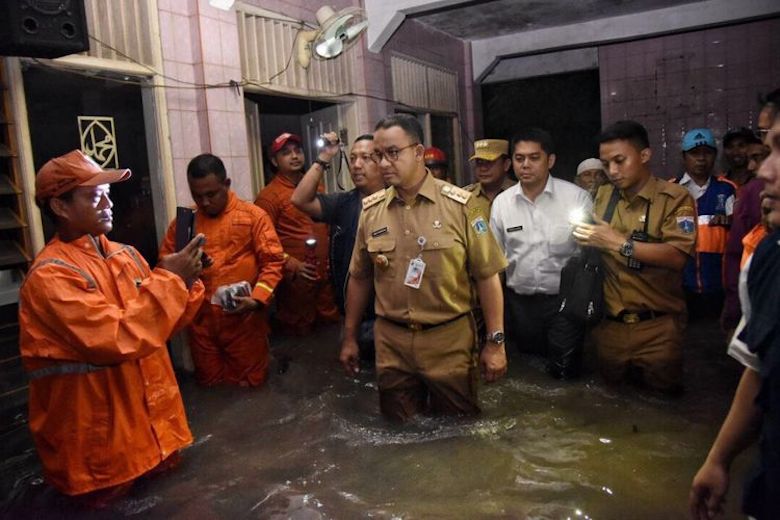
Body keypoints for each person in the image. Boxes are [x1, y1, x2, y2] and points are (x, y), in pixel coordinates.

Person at [18, 150, 205, 506]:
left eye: (106, 191)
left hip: (155, 434)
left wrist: (188, 282)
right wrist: (170, 280)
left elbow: (161, 325)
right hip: (101, 454)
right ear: (59, 207)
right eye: (93, 195)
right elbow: (115, 338)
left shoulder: (126, 255)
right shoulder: (51, 276)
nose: (108, 202)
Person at [339, 114, 508, 422]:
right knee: (398, 429)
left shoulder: (461, 206)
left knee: (458, 429)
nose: (384, 163)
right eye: (379, 155)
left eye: (393, 153)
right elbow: (360, 277)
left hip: (449, 339)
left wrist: (495, 343)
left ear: (418, 153)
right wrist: (349, 336)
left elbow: (487, 276)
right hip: (391, 341)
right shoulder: (372, 212)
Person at [688, 113, 780, 520]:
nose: (763, 169)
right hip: (700, 294)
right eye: (767, 150)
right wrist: (719, 458)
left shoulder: (731, 191)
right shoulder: (768, 258)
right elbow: (758, 367)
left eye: (776, 152)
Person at [573, 120, 696, 395]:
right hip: (610, 328)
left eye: (619, 161)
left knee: (663, 410)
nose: (613, 171)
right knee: (613, 407)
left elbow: (677, 256)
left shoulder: (675, 198)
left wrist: (619, 243)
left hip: (658, 328)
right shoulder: (602, 196)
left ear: (644, 155)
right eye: (606, 164)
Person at [159, 154, 285, 387]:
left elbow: (273, 262)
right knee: (211, 387)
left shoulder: (253, 216)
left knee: (250, 388)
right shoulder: (184, 224)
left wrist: (257, 300)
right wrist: (188, 267)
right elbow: (165, 268)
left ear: (226, 185)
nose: (204, 202)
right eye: (197, 196)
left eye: (211, 194)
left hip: (244, 322)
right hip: (202, 326)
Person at [490, 128, 592, 379]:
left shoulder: (576, 198)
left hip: (564, 305)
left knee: (564, 372)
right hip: (518, 305)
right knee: (525, 370)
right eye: (519, 158)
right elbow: (495, 262)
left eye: (534, 158)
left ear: (551, 160)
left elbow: (589, 259)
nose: (525, 165)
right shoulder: (502, 204)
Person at [291, 132, 385, 358]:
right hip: (352, 317)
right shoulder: (343, 203)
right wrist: (324, 157)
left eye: (366, 158)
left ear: (382, 162)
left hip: (389, 318)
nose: (356, 165)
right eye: (352, 158)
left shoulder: (397, 203)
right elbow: (300, 199)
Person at [255, 132, 339, 336]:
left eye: (297, 151)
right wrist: (293, 265)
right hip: (296, 278)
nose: (294, 156)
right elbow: (264, 243)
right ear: (274, 161)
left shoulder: (315, 185)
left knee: (330, 324)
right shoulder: (268, 197)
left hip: (325, 273)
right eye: (286, 153)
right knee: (299, 330)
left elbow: (326, 224)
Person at [674, 128, 735, 320]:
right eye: (694, 153)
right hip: (681, 284)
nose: (701, 159)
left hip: (719, 284)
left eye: (707, 153)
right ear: (684, 157)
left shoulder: (727, 189)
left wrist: (730, 222)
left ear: (715, 156)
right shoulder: (671, 190)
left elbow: (740, 229)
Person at [721, 131, 766, 334]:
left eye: (758, 157)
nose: (751, 166)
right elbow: (736, 254)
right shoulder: (745, 191)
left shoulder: (753, 190)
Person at [463, 138, 515, 211]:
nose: (483, 169)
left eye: (490, 162)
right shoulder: (465, 196)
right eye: (479, 162)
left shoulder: (519, 193)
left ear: (506, 164)